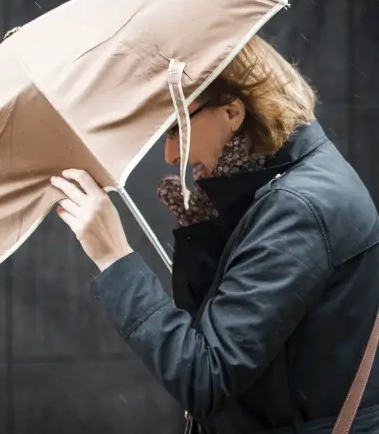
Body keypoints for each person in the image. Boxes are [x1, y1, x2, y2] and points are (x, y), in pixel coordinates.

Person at [50, 35, 379, 433]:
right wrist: (211, 231)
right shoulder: (287, 184)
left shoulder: (299, 208)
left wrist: (113, 256)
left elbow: (204, 378)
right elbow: (223, 337)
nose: (171, 155)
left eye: (177, 129)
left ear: (231, 112)